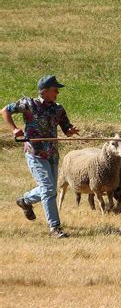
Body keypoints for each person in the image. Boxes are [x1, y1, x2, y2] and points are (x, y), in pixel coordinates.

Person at [1, 75, 79, 238]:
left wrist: (70, 131)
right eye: (54, 89)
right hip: (34, 153)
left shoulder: (58, 108)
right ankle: (55, 228)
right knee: (49, 189)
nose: (58, 92)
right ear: (44, 91)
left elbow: (67, 128)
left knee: (49, 189)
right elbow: (5, 111)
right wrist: (14, 129)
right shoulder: (28, 104)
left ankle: (25, 201)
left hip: (52, 154)